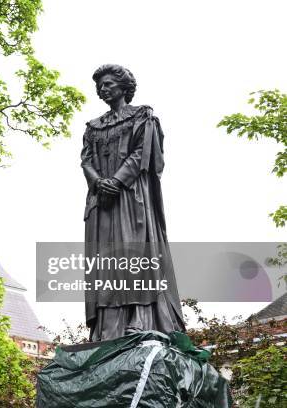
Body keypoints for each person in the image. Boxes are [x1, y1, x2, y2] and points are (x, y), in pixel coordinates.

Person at [81, 64, 186, 341]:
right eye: (99, 85)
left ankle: (139, 319)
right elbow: (86, 160)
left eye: (108, 84)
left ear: (124, 87)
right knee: (105, 261)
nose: (102, 89)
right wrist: (98, 182)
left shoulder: (142, 117)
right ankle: (106, 329)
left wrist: (116, 180)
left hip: (130, 197)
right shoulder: (93, 127)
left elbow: (144, 154)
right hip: (102, 201)